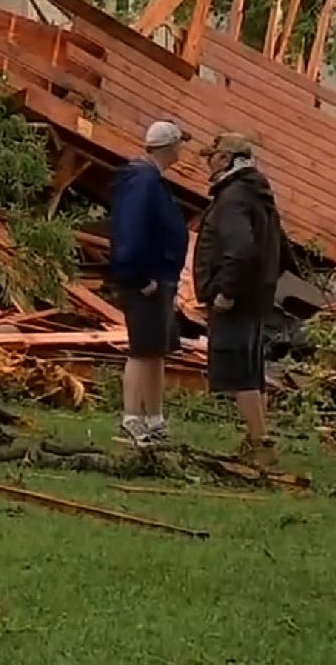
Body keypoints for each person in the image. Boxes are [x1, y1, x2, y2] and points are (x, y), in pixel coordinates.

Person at [193, 133, 298, 468]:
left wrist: (226, 292)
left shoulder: (233, 198)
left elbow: (240, 250)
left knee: (239, 373)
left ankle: (260, 445)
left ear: (226, 159)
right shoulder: (258, 193)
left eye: (213, 156)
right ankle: (257, 437)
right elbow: (282, 248)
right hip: (257, 297)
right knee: (252, 370)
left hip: (237, 299)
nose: (208, 162)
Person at [108, 120, 191, 447]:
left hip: (160, 279)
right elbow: (131, 232)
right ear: (169, 146)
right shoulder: (144, 182)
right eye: (179, 144)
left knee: (157, 349)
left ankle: (155, 418)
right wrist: (140, 278)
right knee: (142, 349)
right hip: (147, 281)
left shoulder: (152, 181)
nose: (181, 149)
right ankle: (132, 417)